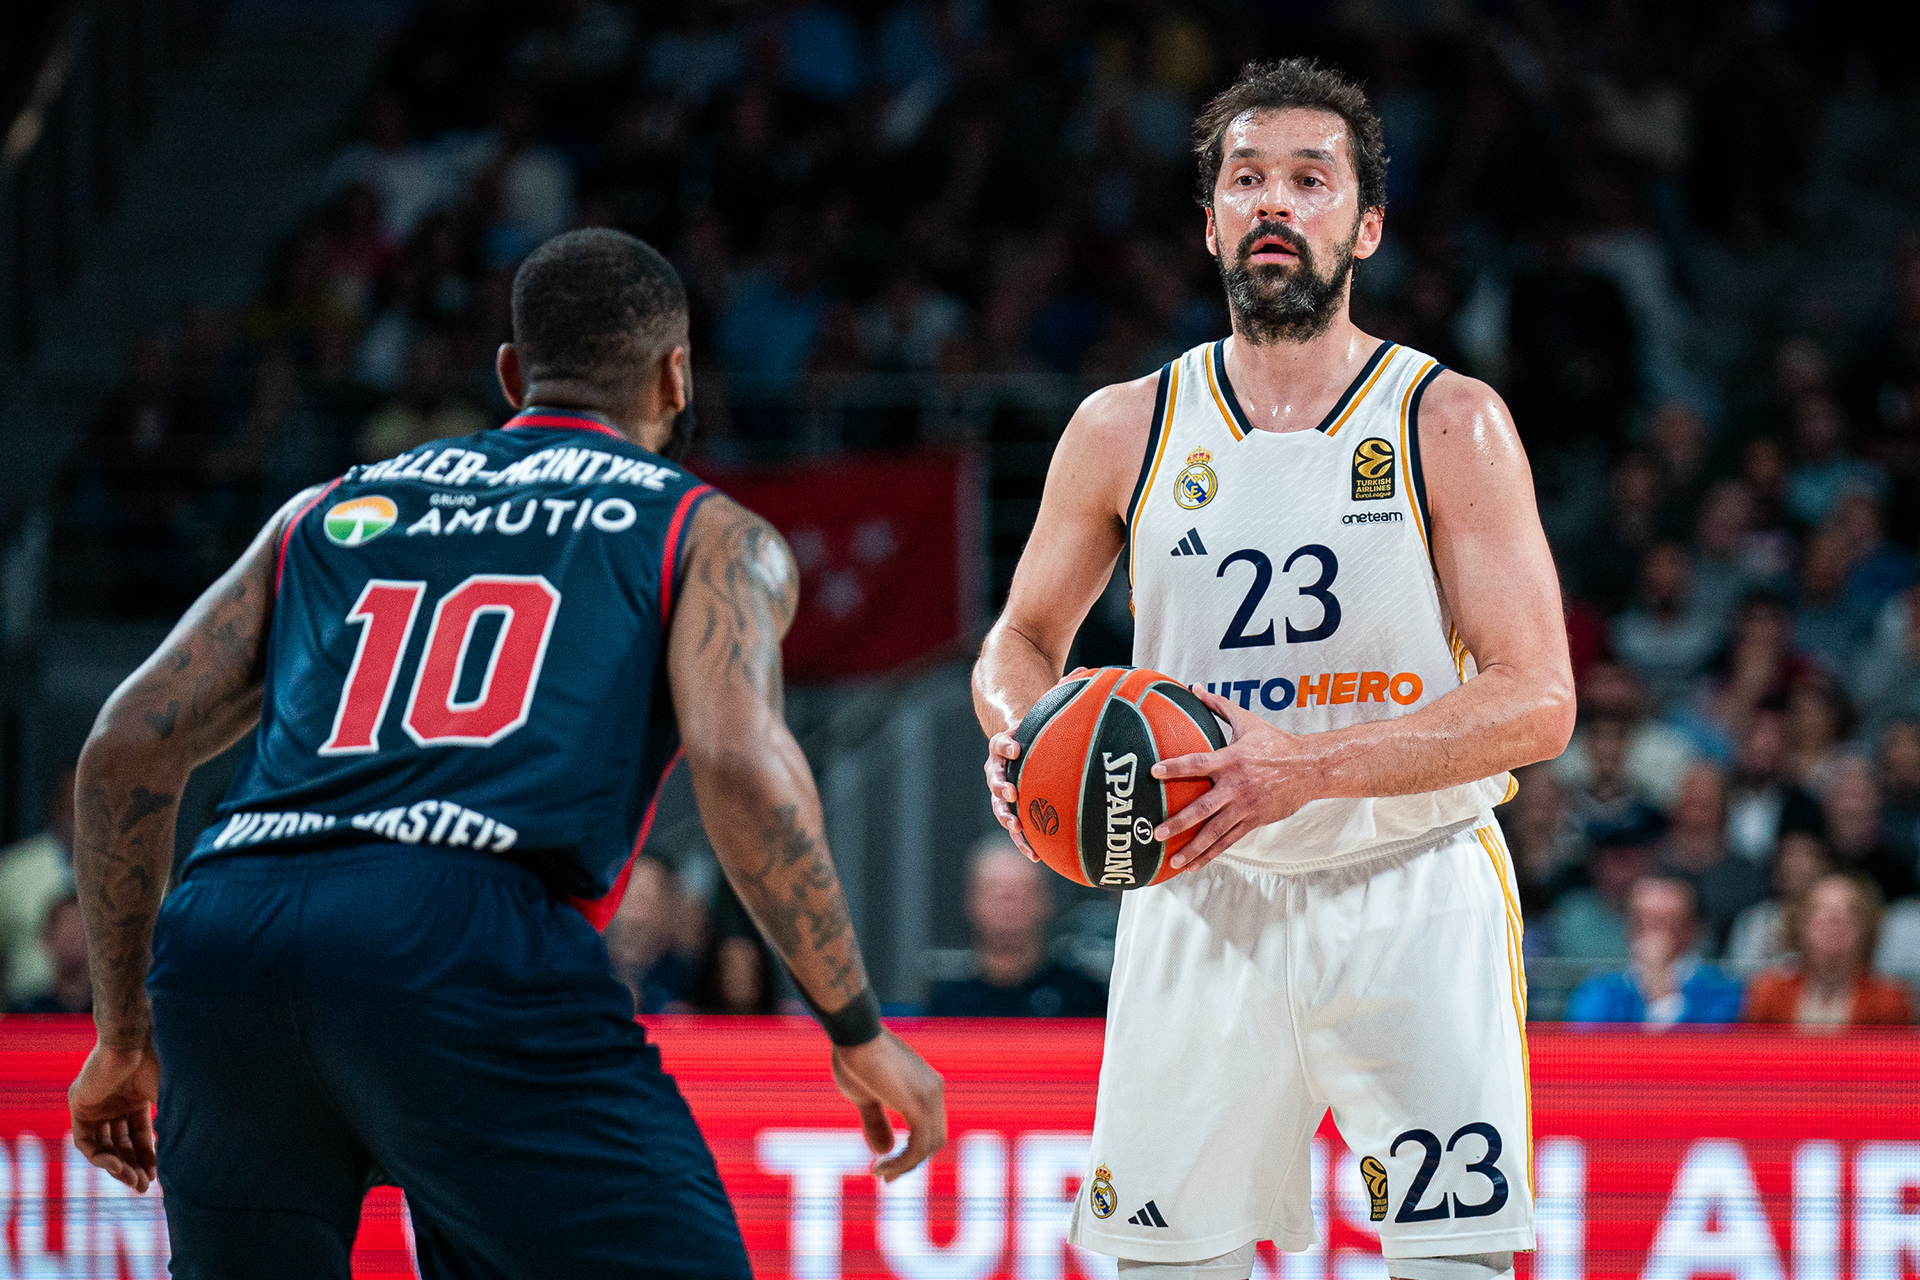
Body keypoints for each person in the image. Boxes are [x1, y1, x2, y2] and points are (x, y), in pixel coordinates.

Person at [66, 228, 945, 1276]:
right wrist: (854, 1025)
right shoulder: (705, 531)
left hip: (226, 931)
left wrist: (123, 1033)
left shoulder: (325, 510)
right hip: (459, 930)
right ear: (676, 376)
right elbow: (742, 764)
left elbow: (123, 747)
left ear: (512, 375)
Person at [973, 60, 1573, 1279]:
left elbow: (1540, 698)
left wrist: (1308, 768)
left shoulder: (1448, 420)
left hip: (1410, 884)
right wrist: (1022, 733)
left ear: (1367, 224)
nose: (1275, 204)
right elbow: (1019, 638)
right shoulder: (1123, 425)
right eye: (1246, 180)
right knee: (1165, 1267)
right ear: (1210, 223)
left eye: (1310, 179)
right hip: (1200, 887)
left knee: (1452, 1268)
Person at [928, 839, 1108, 1017]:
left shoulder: (1084, 1000)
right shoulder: (947, 1008)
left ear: (1047, 900)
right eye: (996, 892)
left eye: (1024, 891)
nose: (1009, 905)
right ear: (971, 901)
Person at [1564, 876, 1745, 1026]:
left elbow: (1705, 1052)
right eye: (1645, 921)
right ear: (1629, 929)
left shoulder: (1723, 990)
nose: (1655, 933)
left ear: (1694, 928)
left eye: (1667, 922)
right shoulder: (1600, 989)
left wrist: (1662, 990)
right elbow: (1585, 1046)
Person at [1743, 873, 1915, 1027]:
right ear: (1800, 923)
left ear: (1866, 926)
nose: (1834, 919)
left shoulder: (1889, 1000)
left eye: (1849, 911)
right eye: (1820, 909)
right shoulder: (1768, 994)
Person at [0, 771, 76, 1007]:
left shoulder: (137, 874)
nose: (80, 811)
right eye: (72, 800)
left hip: (108, 1017)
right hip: (22, 1015)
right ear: (55, 804)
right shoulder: (13, 869)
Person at [9, 897, 94, 1015]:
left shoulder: (114, 1012)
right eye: (66, 933)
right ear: (47, 938)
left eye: (80, 931)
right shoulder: (24, 1011)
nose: (74, 941)